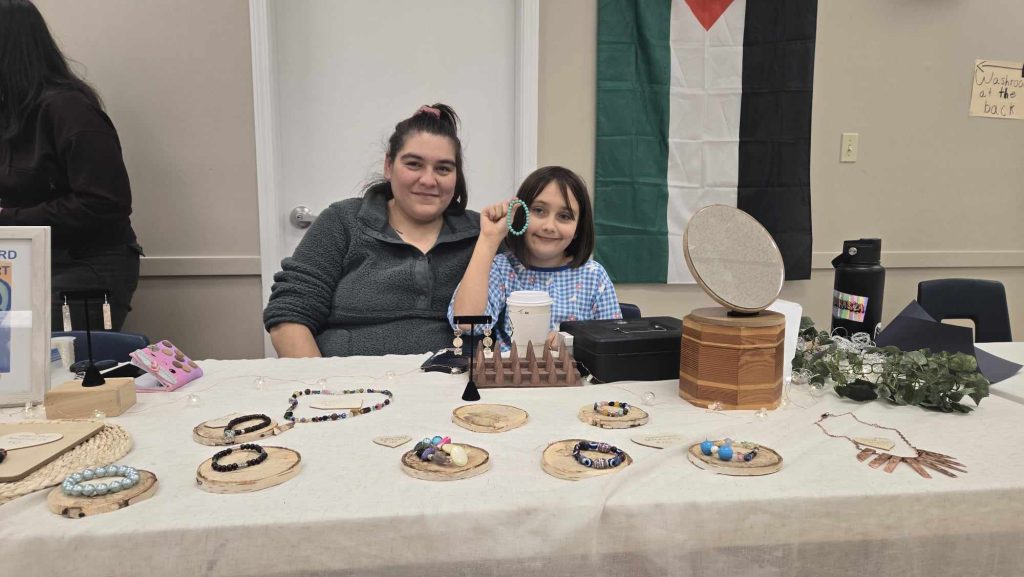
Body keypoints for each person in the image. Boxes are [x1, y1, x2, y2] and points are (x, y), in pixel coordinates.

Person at [264, 104, 479, 357]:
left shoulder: (483, 234)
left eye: (443, 168)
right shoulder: (342, 221)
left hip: (456, 388)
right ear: (389, 166)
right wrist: (325, 389)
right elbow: (288, 316)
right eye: (413, 164)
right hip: (349, 390)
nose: (429, 180)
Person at [0, 0, 141, 331]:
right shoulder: (11, 114)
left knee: (56, 375)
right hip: (27, 262)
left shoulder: (68, 110)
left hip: (84, 268)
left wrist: (7, 219)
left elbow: (104, 204)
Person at [449, 165, 621, 350]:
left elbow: (614, 343)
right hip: (512, 375)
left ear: (578, 229)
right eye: (539, 210)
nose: (549, 226)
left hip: (575, 376)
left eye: (564, 216)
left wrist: (572, 340)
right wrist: (488, 239)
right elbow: (467, 323)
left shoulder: (594, 276)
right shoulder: (502, 268)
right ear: (521, 215)